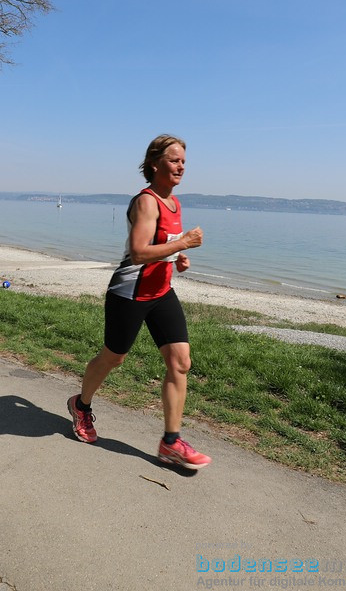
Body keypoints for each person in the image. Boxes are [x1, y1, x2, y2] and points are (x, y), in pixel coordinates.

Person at [67, 134, 211, 469]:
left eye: (184, 162)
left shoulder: (175, 203)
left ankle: (171, 442)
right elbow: (139, 253)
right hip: (129, 293)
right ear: (154, 163)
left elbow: (163, 248)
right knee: (113, 358)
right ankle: (81, 405)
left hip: (160, 292)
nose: (181, 167)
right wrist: (183, 244)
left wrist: (179, 257)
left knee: (180, 362)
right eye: (174, 160)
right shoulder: (146, 202)